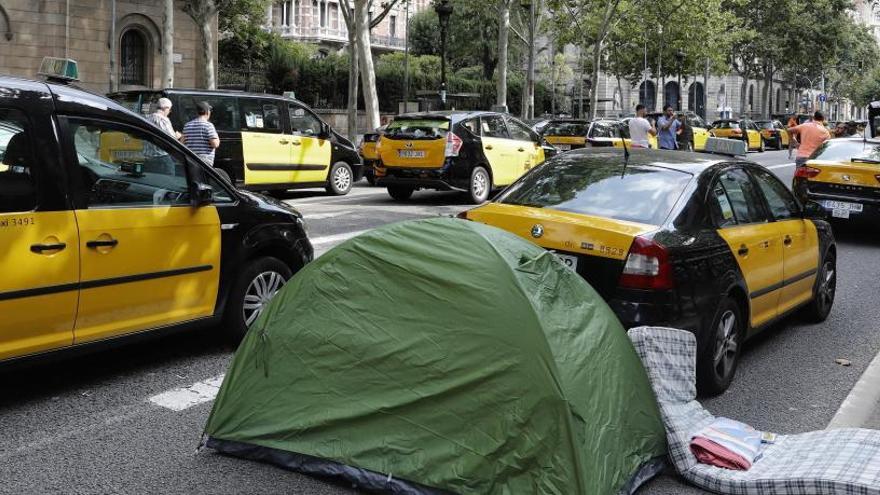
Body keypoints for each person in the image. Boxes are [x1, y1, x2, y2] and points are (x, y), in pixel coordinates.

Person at [789, 111, 831, 202]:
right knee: (813, 180)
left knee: (799, 179)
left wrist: (794, 142)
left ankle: (797, 199)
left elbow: (789, 130)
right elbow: (827, 147)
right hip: (815, 159)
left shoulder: (805, 126)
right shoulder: (825, 132)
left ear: (813, 118)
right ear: (823, 119)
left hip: (801, 156)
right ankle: (810, 199)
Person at [144, 97, 181, 175]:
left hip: (148, 159)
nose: (169, 112)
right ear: (166, 108)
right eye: (170, 109)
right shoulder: (163, 119)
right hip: (162, 158)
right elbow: (171, 138)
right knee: (169, 183)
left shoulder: (147, 118)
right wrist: (177, 135)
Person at [183, 101, 220, 166]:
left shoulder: (187, 125)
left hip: (190, 159)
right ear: (207, 112)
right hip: (204, 161)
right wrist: (217, 139)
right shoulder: (208, 125)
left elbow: (183, 142)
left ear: (197, 112)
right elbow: (215, 144)